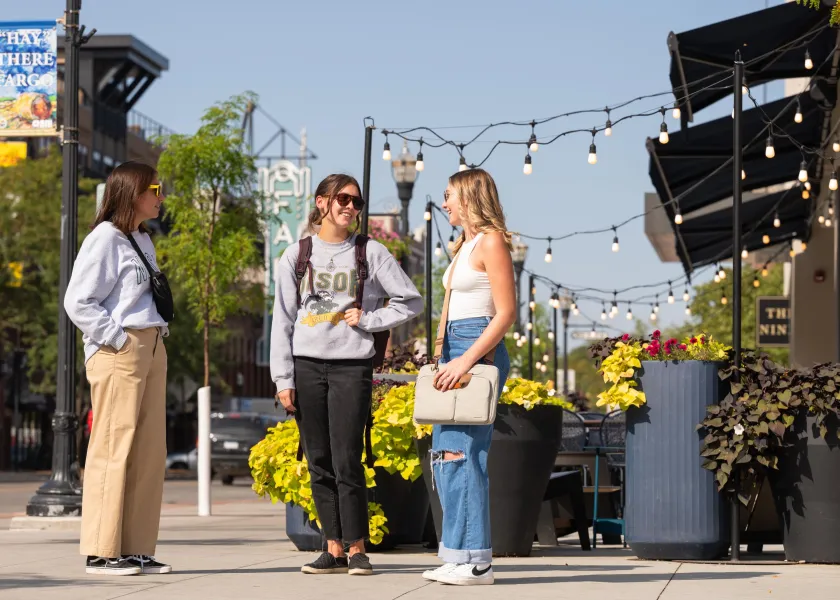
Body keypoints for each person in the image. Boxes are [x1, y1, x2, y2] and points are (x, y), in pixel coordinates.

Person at [271, 173, 423, 576]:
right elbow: (282, 321)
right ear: (321, 202)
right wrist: (282, 379)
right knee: (318, 459)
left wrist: (371, 319)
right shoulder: (296, 255)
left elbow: (412, 300)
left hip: (351, 367)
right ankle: (332, 547)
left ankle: (358, 549)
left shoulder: (370, 253)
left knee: (348, 459)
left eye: (356, 202)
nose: (350, 208)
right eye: (342, 199)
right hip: (306, 365)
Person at [65, 161, 171, 576]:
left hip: (152, 344)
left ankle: (136, 546)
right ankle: (100, 550)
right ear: (132, 192)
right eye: (155, 189)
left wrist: (150, 341)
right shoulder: (105, 239)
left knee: (148, 452)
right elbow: (78, 301)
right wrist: (118, 339)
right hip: (120, 349)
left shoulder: (142, 239)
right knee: (113, 447)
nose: (161, 197)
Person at [422, 168, 516, 586]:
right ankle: (456, 553)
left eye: (449, 196)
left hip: (478, 347)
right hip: (456, 348)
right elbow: (452, 303)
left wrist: (466, 362)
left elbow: (506, 313)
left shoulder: (492, 240)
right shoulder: (465, 244)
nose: (444, 204)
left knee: (465, 455)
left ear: (468, 196)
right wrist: (441, 351)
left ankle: (478, 560)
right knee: (445, 455)